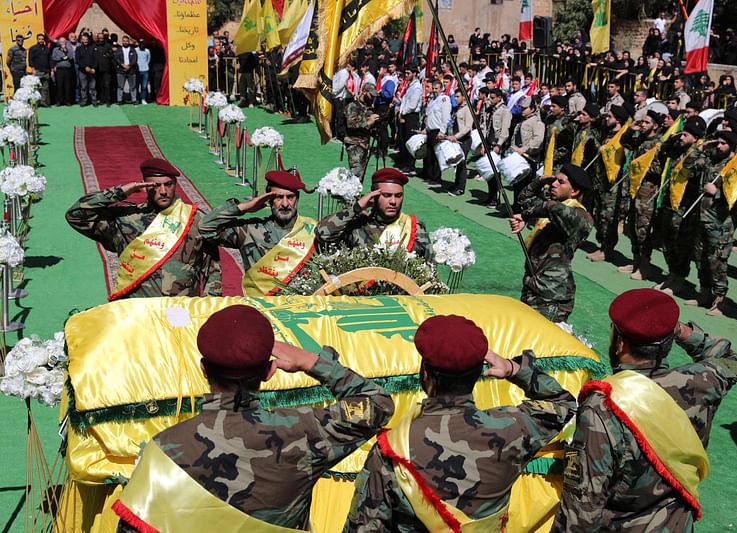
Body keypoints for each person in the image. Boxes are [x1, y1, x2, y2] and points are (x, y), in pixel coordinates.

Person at [114, 304, 394, 532]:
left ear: (203, 369)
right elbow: (377, 403)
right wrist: (311, 361)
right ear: (270, 372)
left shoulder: (163, 449)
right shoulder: (305, 433)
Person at [345, 314, 575, 532]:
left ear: (425, 375)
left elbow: (365, 526)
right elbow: (564, 403)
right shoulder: (515, 428)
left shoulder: (393, 450)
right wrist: (514, 369)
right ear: (477, 375)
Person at [552, 288, 737, 532]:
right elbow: (728, 358)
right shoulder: (703, 381)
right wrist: (680, 330)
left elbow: (582, 508)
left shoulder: (604, 405)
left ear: (620, 343)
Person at [65, 158, 221, 299]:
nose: (163, 191)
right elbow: (76, 215)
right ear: (145, 187)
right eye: (156, 186)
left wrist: (209, 309)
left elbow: (212, 269)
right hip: (138, 313)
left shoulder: (194, 219)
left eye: (168, 184)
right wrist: (122, 192)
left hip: (180, 312)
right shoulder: (126, 219)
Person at [200, 170, 317, 297]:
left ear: (297, 199)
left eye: (290, 197)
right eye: (278, 197)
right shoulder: (250, 230)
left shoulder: (312, 231)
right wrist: (245, 207)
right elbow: (206, 227)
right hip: (260, 308)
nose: (285, 204)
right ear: (269, 199)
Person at [510, 163, 593, 322]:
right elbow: (525, 198)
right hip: (533, 286)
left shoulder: (581, 216)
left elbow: (552, 208)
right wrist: (540, 181)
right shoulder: (549, 209)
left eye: (560, 182)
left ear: (574, 191)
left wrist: (525, 216)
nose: (553, 184)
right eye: (554, 180)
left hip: (551, 296)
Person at [316, 168, 434, 260]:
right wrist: (356, 208)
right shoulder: (358, 224)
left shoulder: (414, 228)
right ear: (373, 195)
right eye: (387, 195)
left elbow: (429, 269)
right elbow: (323, 234)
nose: (393, 202)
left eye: (398, 196)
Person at [686, 131, 737, 316]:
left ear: (732, 146)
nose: (718, 146)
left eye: (723, 143)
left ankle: (720, 300)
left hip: (720, 222)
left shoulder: (735, 166)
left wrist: (716, 192)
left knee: (717, 262)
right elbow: (688, 165)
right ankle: (704, 292)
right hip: (702, 218)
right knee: (701, 258)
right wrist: (700, 148)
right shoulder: (711, 159)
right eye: (718, 142)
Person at [655, 116, 708, 297]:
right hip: (671, 201)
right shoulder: (679, 149)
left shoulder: (700, 155)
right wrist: (672, 138)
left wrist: (695, 149)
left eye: (686, 134)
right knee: (667, 241)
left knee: (681, 245)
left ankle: (679, 279)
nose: (682, 136)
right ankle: (671, 274)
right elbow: (663, 150)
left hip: (686, 207)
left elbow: (690, 165)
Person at [618, 110, 665, 280]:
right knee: (632, 227)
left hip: (648, 191)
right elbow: (624, 142)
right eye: (643, 122)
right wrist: (631, 129)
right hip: (635, 188)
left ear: (656, 125)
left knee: (643, 228)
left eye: (647, 122)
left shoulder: (658, 144)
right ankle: (635, 260)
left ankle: (645, 265)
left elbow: (660, 169)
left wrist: (641, 167)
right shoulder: (640, 139)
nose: (643, 125)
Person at [587, 105, 630, 263]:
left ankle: (607, 249)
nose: (606, 119)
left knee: (608, 217)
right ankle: (602, 246)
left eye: (609, 117)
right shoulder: (607, 132)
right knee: (599, 214)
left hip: (613, 184)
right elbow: (596, 120)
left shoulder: (623, 136)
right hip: (600, 180)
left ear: (618, 119)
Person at [345, 83, 381, 181]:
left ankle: (357, 194)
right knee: (355, 172)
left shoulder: (367, 107)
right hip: (354, 143)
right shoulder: (353, 106)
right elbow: (351, 124)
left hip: (364, 143)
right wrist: (369, 121)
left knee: (361, 173)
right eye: (371, 95)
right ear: (364, 92)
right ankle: (351, 194)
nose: (372, 98)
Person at [422, 79, 451, 183]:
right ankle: (430, 176)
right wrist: (426, 128)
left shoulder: (444, 99)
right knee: (429, 155)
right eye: (433, 88)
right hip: (430, 130)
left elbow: (445, 117)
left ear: (441, 89)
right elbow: (428, 115)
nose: (434, 90)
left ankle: (436, 178)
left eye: (436, 88)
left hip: (438, 130)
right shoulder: (432, 100)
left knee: (437, 155)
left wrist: (442, 131)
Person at [445, 88, 474, 196]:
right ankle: (456, 184)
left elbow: (467, 127)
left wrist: (456, 136)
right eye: (455, 96)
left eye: (458, 96)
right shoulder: (457, 108)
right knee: (457, 163)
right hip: (456, 139)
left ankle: (460, 188)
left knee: (462, 164)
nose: (456, 98)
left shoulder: (467, 109)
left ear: (463, 97)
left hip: (464, 140)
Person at [75, 33, 99, 107]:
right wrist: (85, 67)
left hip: (92, 71)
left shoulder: (93, 48)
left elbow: (96, 59)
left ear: (88, 40)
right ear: (81, 40)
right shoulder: (78, 49)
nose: (85, 41)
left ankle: (94, 100)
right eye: (83, 39)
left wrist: (94, 68)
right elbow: (78, 60)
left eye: (86, 39)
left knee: (93, 87)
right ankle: (84, 100)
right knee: (83, 87)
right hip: (83, 71)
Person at [28, 33, 51, 106]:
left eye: (42, 39)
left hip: (46, 71)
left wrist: (51, 69)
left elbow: (49, 59)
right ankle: (36, 103)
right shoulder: (33, 48)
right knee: (36, 88)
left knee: (45, 88)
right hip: (37, 71)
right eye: (39, 39)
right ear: (37, 39)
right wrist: (33, 69)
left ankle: (43, 102)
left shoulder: (47, 49)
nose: (41, 40)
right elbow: (30, 59)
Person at [114, 35, 138, 104]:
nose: (125, 42)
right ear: (122, 41)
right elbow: (116, 58)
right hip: (121, 70)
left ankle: (134, 100)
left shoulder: (133, 50)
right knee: (120, 86)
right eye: (124, 41)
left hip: (131, 70)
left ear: (128, 41)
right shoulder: (119, 50)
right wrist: (122, 65)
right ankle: (119, 100)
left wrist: (129, 66)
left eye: (127, 41)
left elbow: (134, 59)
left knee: (132, 86)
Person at [51, 37, 75, 106]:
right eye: (61, 42)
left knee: (67, 85)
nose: (62, 43)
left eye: (64, 41)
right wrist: (61, 58)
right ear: (59, 42)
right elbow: (54, 57)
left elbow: (71, 57)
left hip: (68, 69)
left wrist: (66, 50)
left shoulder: (69, 49)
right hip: (59, 70)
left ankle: (67, 101)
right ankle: (59, 101)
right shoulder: (55, 49)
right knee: (59, 85)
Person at [135, 39, 150, 104]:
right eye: (140, 43)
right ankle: (137, 99)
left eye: (143, 43)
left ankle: (143, 99)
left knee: (144, 86)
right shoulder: (135, 50)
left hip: (145, 70)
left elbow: (148, 60)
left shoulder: (147, 51)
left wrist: (145, 65)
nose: (142, 45)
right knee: (137, 86)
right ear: (139, 44)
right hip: (137, 71)